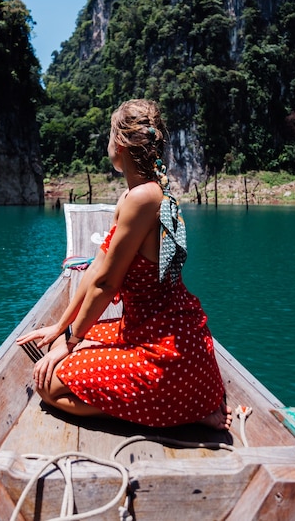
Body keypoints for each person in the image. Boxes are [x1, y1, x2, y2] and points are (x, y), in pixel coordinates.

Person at [17, 99, 232, 430]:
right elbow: (95, 272)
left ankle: (181, 412)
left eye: (108, 136)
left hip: (166, 353)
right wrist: (61, 329)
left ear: (118, 144)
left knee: (49, 388)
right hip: (147, 330)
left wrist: (71, 341)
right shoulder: (140, 196)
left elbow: (106, 284)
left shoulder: (143, 198)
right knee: (62, 346)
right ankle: (178, 406)